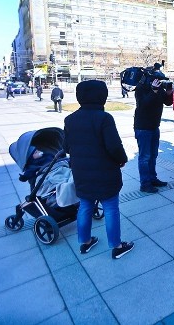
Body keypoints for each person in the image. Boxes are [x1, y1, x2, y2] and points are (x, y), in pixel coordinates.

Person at [63, 80, 134, 259]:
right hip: (105, 173)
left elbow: (66, 147)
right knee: (110, 208)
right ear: (102, 96)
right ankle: (117, 246)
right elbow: (114, 146)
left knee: (85, 206)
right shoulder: (104, 118)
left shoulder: (70, 119)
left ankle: (85, 242)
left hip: (81, 173)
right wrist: (122, 159)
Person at [134, 74, 174, 193]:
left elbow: (167, 103)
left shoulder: (159, 88)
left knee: (153, 155)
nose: (159, 82)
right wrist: (153, 91)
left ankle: (152, 178)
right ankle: (145, 184)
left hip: (154, 127)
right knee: (145, 157)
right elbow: (144, 105)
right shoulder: (141, 88)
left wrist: (169, 93)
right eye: (157, 80)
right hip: (143, 128)